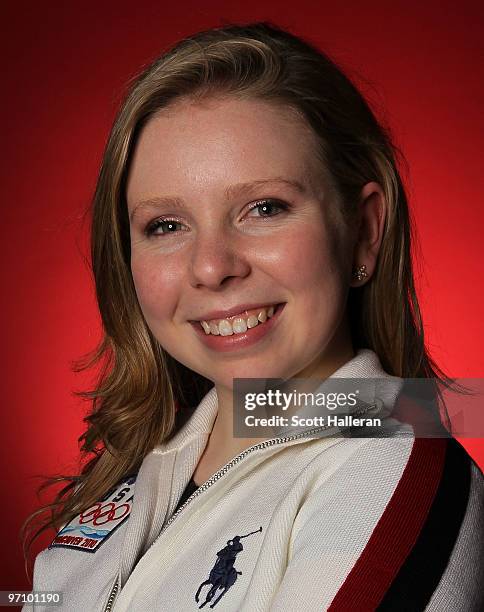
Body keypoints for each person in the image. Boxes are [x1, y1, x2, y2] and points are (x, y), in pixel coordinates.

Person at [21, 21, 483, 612]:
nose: (212, 267)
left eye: (264, 208)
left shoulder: (392, 466)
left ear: (364, 233)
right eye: (166, 225)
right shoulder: (144, 464)